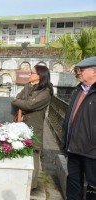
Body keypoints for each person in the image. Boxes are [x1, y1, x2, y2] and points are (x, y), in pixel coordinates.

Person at [11, 64, 53, 189]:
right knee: (20, 151)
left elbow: (29, 105)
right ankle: (21, 181)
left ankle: (32, 185)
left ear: (40, 76)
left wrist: (19, 102)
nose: (29, 74)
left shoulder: (46, 92)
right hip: (22, 125)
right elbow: (18, 98)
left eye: (32, 73)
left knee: (33, 154)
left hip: (34, 126)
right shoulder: (28, 86)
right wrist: (20, 102)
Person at [62, 56, 96, 200]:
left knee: (93, 187)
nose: (78, 72)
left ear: (94, 71)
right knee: (73, 183)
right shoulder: (78, 90)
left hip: (92, 151)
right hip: (74, 147)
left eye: (82, 70)